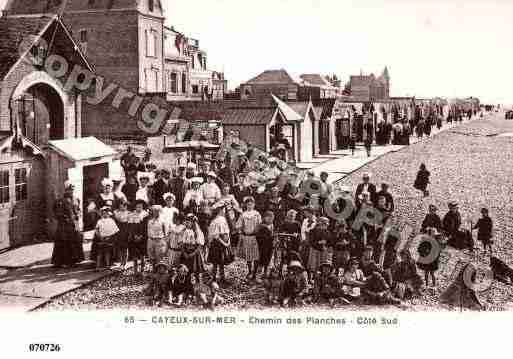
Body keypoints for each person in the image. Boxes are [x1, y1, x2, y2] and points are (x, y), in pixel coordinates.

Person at [51, 181, 85, 268]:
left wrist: (78, 214)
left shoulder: (76, 199)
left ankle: (74, 260)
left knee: (75, 241)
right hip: (64, 225)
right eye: (69, 189)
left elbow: (78, 210)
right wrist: (63, 217)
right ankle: (63, 261)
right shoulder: (60, 201)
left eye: (72, 189)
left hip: (74, 223)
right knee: (64, 242)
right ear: (66, 190)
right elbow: (56, 212)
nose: (71, 191)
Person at [236, 196, 262, 282]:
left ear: (254, 205)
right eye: (248, 204)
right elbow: (238, 226)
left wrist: (257, 231)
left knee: (256, 255)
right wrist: (241, 232)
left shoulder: (257, 214)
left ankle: (255, 272)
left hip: (255, 237)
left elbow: (260, 225)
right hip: (247, 237)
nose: (250, 206)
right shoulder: (243, 214)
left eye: (251, 204)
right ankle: (250, 270)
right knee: (248, 256)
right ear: (246, 205)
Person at [208, 203, 232, 285]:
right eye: (223, 210)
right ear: (219, 211)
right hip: (217, 244)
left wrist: (228, 241)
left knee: (222, 261)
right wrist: (224, 243)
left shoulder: (223, 219)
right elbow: (216, 236)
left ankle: (222, 278)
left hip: (224, 243)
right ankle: (213, 278)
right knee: (215, 262)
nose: (224, 211)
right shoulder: (214, 221)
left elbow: (227, 231)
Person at [179, 214, 205, 281]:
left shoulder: (197, 232)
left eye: (188, 222)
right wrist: (184, 252)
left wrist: (193, 254)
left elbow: (199, 245)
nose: (187, 224)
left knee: (196, 271)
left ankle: (198, 284)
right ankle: (186, 284)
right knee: (186, 270)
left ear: (193, 223)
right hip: (186, 252)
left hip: (194, 253)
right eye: (186, 222)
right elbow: (181, 243)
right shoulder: (184, 231)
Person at [128, 200, 149, 275]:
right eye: (137, 207)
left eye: (140, 207)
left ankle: (142, 269)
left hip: (143, 236)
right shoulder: (132, 215)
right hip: (134, 237)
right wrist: (134, 236)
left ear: (142, 207)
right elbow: (131, 227)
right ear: (135, 207)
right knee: (135, 255)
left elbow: (146, 227)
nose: (139, 208)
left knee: (142, 255)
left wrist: (142, 236)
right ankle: (135, 270)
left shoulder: (145, 214)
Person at [147, 205, 168, 269]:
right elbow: (148, 231)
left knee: (159, 257)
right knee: (151, 256)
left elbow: (165, 232)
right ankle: (153, 269)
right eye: (154, 211)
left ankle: (159, 270)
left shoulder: (162, 221)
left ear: (160, 212)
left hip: (159, 240)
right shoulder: (150, 221)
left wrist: (164, 241)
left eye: (157, 211)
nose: (156, 213)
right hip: (151, 240)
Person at [256, 211, 275, 280]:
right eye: (269, 218)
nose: (270, 220)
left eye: (271, 218)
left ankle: (265, 272)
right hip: (263, 245)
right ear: (265, 218)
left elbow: (272, 234)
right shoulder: (261, 226)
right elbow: (258, 236)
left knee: (268, 258)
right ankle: (258, 274)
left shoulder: (272, 225)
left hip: (270, 245)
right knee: (261, 259)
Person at [114, 200, 131, 270]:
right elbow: (117, 219)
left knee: (125, 247)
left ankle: (124, 263)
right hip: (119, 229)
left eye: (124, 206)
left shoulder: (129, 213)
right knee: (120, 247)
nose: (122, 207)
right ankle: (121, 262)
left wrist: (130, 232)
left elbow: (130, 223)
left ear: (126, 206)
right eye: (121, 206)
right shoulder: (117, 213)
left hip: (126, 229)